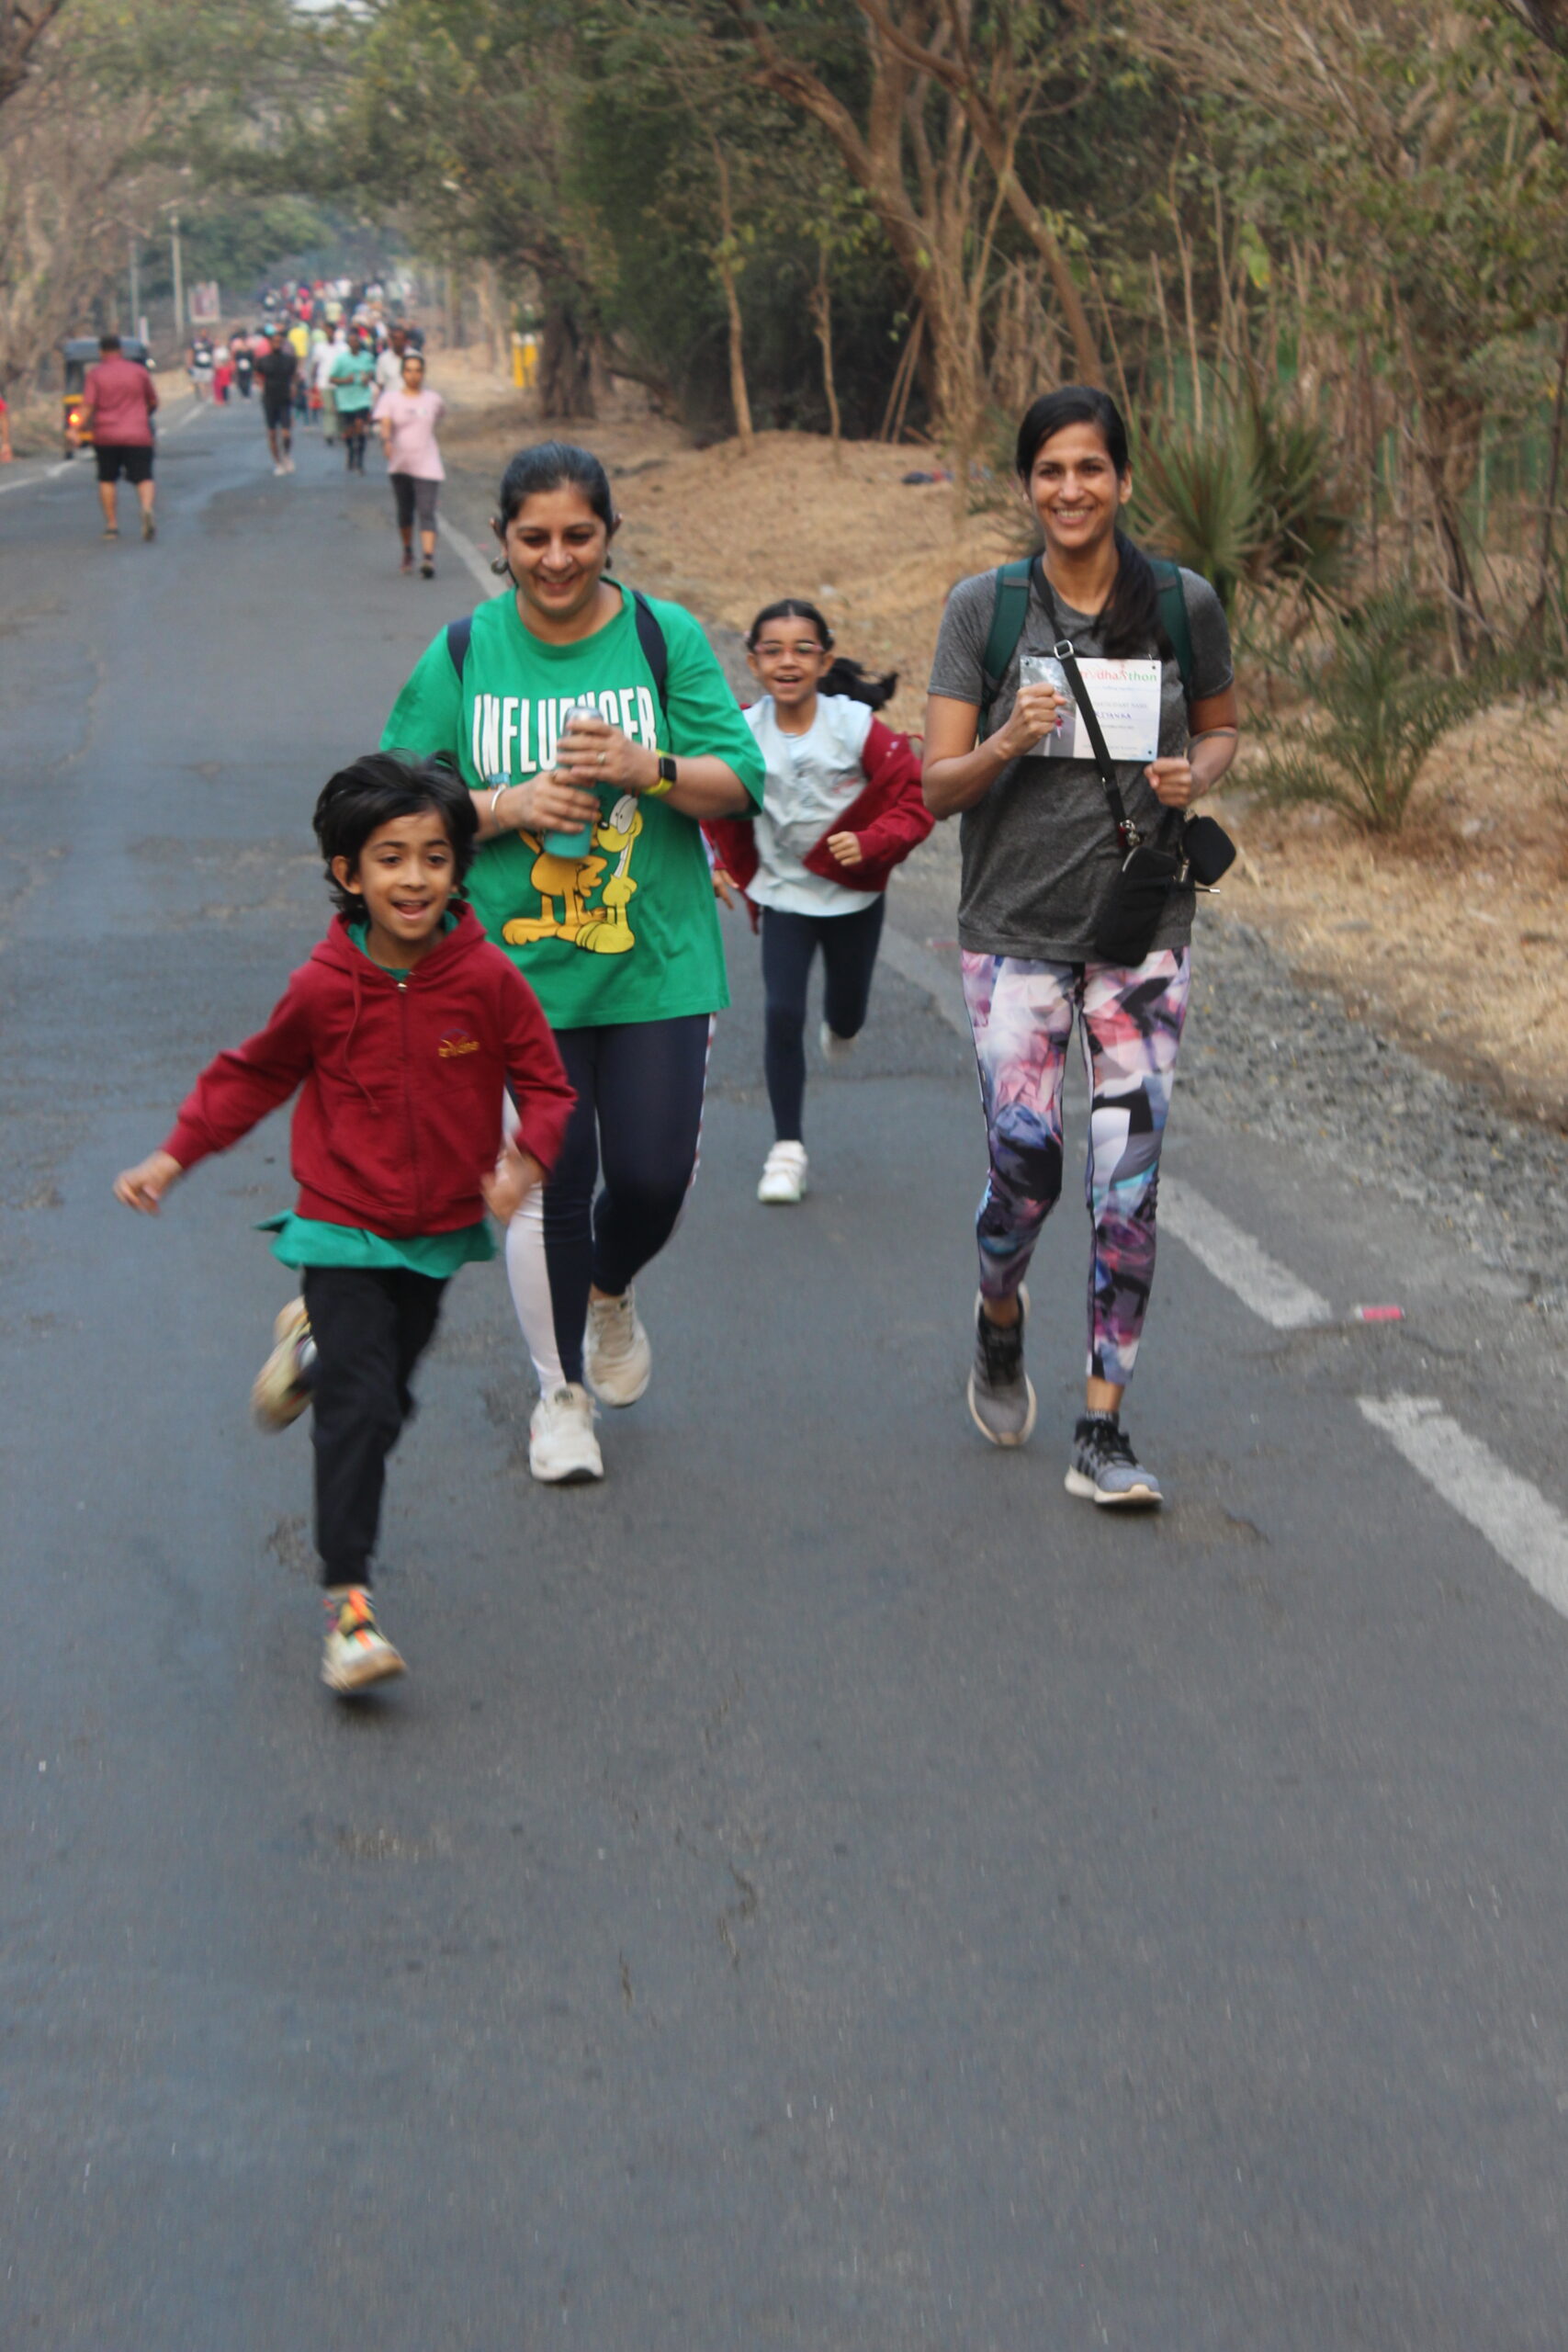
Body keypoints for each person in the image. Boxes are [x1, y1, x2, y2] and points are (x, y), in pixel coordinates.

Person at [112, 754, 576, 1694]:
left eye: (435, 857)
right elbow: (254, 1074)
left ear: (458, 868)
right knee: (360, 1412)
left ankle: (312, 1348)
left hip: (437, 1231)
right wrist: (174, 1154)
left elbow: (547, 1086)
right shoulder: (323, 986)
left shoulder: (487, 979)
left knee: (386, 1401)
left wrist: (526, 1160)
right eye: (389, 858)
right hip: (339, 1221)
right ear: (347, 873)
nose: (414, 878)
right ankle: (349, 1608)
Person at [381, 440, 765, 1485]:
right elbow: (394, 804)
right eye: (534, 538)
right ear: (501, 540)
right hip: (513, 980)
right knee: (552, 1180)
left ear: (609, 535)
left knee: (650, 1178)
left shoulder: (661, 636)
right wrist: (504, 806)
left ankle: (608, 1286)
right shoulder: (464, 653)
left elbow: (742, 779)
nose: (557, 558)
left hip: (656, 963)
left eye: (578, 536)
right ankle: (560, 1398)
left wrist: (651, 767)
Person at [922, 383, 1239, 1503]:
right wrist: (1007, 735)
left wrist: (1192, 774)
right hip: (1014, 931)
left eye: (1090, 468)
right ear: (1027, 485)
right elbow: (937, 785)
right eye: (1050, 470)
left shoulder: (1183, 604)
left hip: (1141, 931)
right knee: (1025, 1168)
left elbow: (1222, 728)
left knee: (1127, 1185)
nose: (1071, 489)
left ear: (1123, 479)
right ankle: (998, 1308)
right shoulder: (986, 609)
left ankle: (1102, 1424)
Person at [705, 598, 931, 1204]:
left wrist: (871, 841)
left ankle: (843, 1025)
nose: (788, 662)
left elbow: (913, 800)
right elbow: (708, 799)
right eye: (772, 651)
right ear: (753, 662)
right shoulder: (742, 730)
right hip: (784, 896)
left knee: (846, 1014)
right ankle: (787, 1150)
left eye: (803, 650)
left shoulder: (853, 727)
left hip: (853, 898)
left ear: (825, 661)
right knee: (782, 1012)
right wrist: (717, 862)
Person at [73, 334, 158, 541]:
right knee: (144, 476)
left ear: (101, 352)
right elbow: (153, 401)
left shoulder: (96, 374)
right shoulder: (139, 371)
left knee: (107, 479)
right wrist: (143, 415)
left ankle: (111, 525)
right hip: (137, 433)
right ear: (121, 350)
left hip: (106, 435)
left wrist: (74, 428)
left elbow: (88, 406)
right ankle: (146, 508)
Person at [374, 346, 446, 579]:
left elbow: (439, 417)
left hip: (427, 463)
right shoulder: (390, 399)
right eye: (409, 370)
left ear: (423, 373)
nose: (413, 375)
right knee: (405, 511)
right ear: (402, 373)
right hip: (400, 464)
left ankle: (428, 558)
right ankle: (407, 551)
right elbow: (385, 423)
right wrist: (386, 441)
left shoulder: (433, 399)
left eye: (417, 371)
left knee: (426, 510)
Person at [331, 326, 376, 472]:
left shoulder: (367, 357)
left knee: (360, 426)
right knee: (350, 430)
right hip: (346, 399)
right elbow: (332, 378)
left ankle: (360, 459)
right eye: (351, 341)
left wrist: (367, 378)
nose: (354, 344)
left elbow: (372, 372)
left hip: (362, 398)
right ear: (348, 344)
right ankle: (350, 451)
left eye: (356, 341)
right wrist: (345, 380)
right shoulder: (341, 359)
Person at [256, 322, 298, 475]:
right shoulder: (263, 361)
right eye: (274, 341)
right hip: (269, 398)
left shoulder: (289, 360)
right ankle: (278, 462)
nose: (277, 344)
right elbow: (258, 375)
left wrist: (293, 387)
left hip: (284, 398)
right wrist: (261, 386)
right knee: (272, 433)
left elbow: (294, 376)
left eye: (279, 342)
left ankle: (286, 455)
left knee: (286, 433)